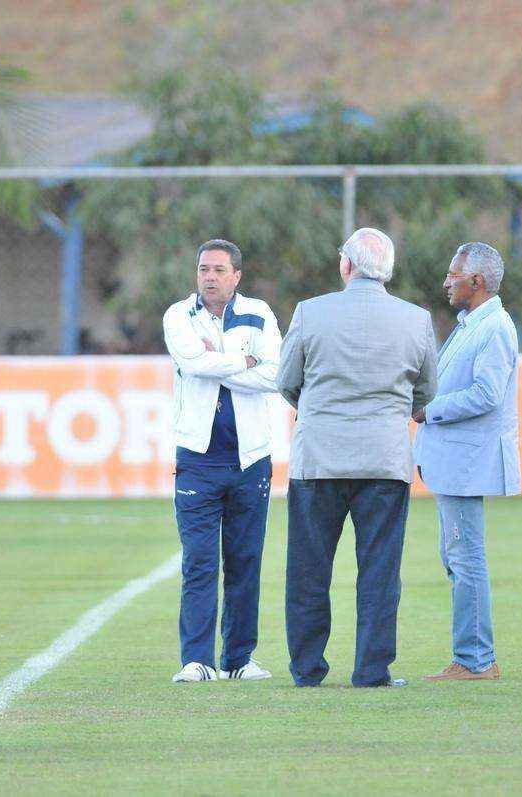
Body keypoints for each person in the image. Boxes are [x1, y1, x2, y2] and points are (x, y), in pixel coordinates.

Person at [276, 227, 438, 688]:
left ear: (345, 265)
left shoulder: (310, 313)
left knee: (309, 569)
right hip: (385, 460)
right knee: (380, 570)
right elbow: (427, 390)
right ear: (388, 271)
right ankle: (372, 670)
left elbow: (287, 381)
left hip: (319, 458)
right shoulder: (416, 319)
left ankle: (307, 669)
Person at [163, 238, 282, 683]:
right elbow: (193, 364)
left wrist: (224, 362)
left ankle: (237, 659)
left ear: (236, 276)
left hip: (250, 458)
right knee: (199, 562)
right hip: (198, 458)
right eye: (203, 269)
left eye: (218, 270)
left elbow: (276, 373)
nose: (209, 277)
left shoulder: (260, 313)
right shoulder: (178, 315)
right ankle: (196, 660)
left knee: (245, 560)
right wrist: (244, 360)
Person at [413, 242, 520, 682]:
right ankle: (474, 657)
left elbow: (487, 394)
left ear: (476, 281)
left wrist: (430, 408)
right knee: (457, 557)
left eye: (453, 275)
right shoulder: (472, 324)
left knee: (466, 559)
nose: (446, 282)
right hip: (455, 461)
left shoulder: (494, 327)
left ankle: (475, 660)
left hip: (466, 463)